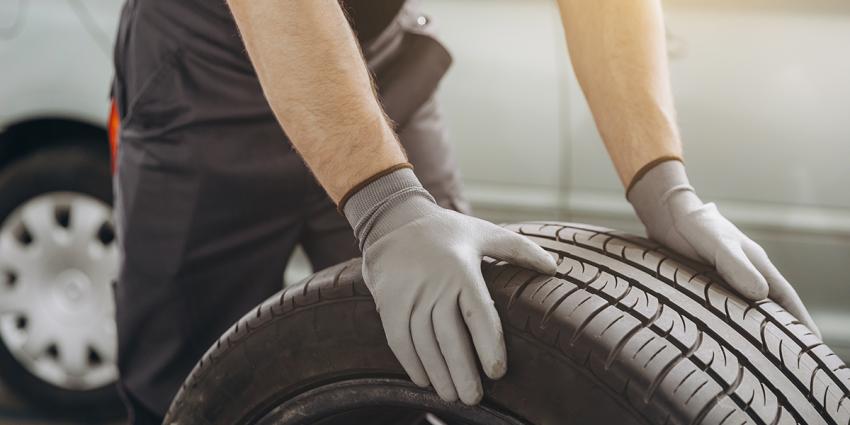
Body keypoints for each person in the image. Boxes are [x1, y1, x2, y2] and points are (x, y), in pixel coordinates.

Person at [111, 0, 820, 422]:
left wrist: (661, 184)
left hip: (371, 49)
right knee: (184, 383)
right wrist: (386, 204)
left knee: (458, 347)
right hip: (206, 63)